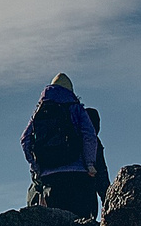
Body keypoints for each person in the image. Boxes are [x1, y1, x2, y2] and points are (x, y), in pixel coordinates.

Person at [22, 73, 106, 217]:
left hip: (50, 180)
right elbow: (89, 136)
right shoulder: (75, 108)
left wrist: (37, 168)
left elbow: (25, 140)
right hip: (78, 178)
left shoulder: (39, 111)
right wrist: (90, 164)